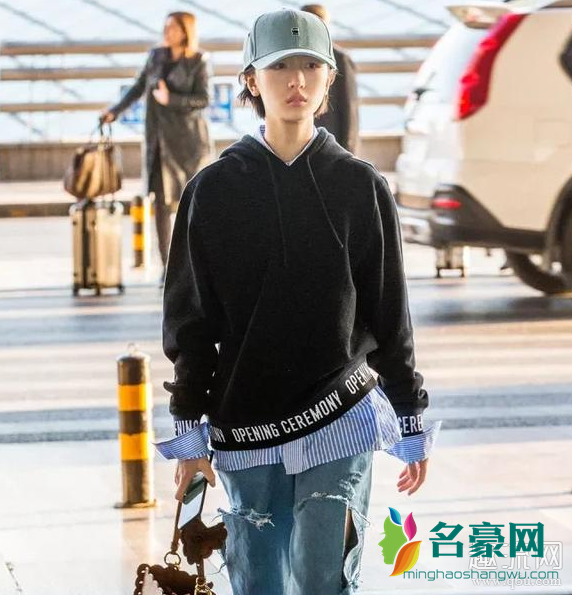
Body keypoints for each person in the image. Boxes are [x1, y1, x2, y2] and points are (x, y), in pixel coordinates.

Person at [155, 9, 441, 594]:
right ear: (251, 80)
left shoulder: (360, 187)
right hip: (245, 429)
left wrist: (409, 413)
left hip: (342, 418)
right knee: (257, 582)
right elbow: (191, 324)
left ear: (329, 78)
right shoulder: (211, 192)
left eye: (311, 66)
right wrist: (188, 431)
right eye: (279, 66)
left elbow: (390, 312)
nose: (296, 81)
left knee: (324, 579)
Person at [100, 11, 213, 285]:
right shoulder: (156, 56)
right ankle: (168, 266)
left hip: (188, 145)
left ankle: (196, 263)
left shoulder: (198, 60)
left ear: (185, 31)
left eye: (173, 27)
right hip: (159, 143)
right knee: (160, 204)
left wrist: (170, 98)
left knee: (192, 205)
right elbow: (138, 87)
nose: (167, 31)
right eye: (166, 26)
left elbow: (203, 99)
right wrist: (114, 111)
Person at [301, 3, 360, 154]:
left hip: (331, 144)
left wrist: (349, 152)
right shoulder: (294, 57)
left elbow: (349, 108)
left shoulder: (340, 58)